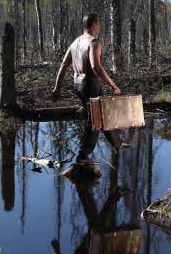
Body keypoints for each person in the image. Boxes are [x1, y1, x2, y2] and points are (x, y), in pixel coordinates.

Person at [52, 13, 121, 164]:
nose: (100, 27)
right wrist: (112, 85)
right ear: (93, 24)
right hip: (90, 85)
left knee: (102, 114)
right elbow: (96, 67)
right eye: (99, 23)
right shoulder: (93, 42)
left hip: (78, 85)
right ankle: (83, 156)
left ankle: (116, 143)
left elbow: (64, 65)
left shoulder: (76, 42)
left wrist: (57, 88)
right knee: (95, 121)